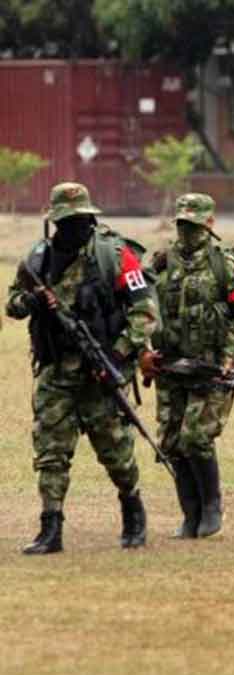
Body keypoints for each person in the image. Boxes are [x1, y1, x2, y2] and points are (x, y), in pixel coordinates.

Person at [5, 182, 160, 554]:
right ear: (54, 221)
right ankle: (51, 526)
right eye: (67, 221)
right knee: (50, 450)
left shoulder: (114, 254)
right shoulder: (39, 258)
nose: (75, 227)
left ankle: (133, 511)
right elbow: (12, 303)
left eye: (81, 220)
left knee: (115, 449)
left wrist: (119, 354)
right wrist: (30, 302)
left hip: (101, 371)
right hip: (55, 372)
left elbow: (144, 312)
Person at [143, 194, 234, 538]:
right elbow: (140, 309)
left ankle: (211, 507)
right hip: (170, 366)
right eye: (182, 224)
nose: (187, 231)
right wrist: (145, 353)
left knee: (197, 437)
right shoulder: (161, 262)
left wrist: (228, 361)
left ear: (209, 224)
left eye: (194, 225)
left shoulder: (226, 265)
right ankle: (189, 515)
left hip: (211, 367)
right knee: (172, 440)